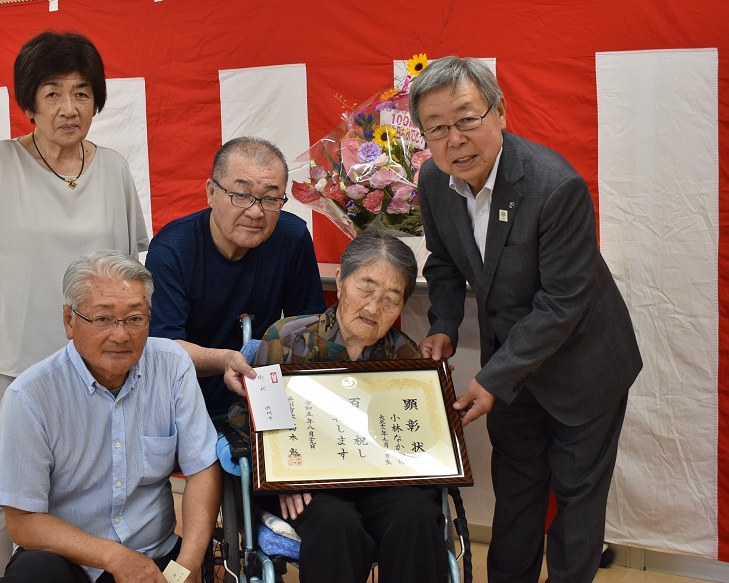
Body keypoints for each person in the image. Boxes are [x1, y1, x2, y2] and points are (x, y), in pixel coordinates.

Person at [408, 55, 643, 583]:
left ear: (500, 112)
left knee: (577, 498)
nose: (456, 140)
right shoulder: (432, 180)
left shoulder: (554, 185)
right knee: (517, 490)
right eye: (437, 128)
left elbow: (563, 301)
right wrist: (443, 324)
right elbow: (444, 262)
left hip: (584, 363)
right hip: (511, 367)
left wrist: (492, 379)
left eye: (468, 119)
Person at [0, 31, 149, 583]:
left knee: (97, 478)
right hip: (14, 357)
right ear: (30, 100)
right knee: (12, 487)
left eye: (82, 93)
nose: (69, 108)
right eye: (53, 93)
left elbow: (130, 264)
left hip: (97, 359)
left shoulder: (112, 168)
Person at [0, 250, 220, 583]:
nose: (121, 335)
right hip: (70, 561)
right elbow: (22, 520)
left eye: (135, 318)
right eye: (102, 319)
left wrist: (188, 563)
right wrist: (114, 558)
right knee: (34, 573)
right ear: (69, 321)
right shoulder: (30, 396)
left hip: (155, 555)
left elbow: (202, 466)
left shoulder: (172, 365)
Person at [252, 229, 449, 583]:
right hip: (308, 486)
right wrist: (282, 480)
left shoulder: (405, 356)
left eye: (392, 297)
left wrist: (443, 423)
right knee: (335, 524)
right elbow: (251, 425)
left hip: (383, 484)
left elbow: (421, 443)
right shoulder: (286, 340)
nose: (375, 307)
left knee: (417, 515)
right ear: (341, 281)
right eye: (366, 287)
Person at [145, 137, 326, 416]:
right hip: (184, 401)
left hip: (260, 395)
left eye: (270, 198)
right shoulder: (172, 249)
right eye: (241, 195)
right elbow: (164, 347)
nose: (255, 212)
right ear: (211, 192)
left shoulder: (292, 237)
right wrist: (225, 359)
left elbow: (308, 327)